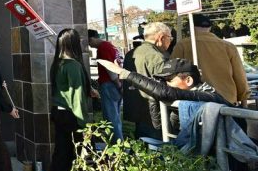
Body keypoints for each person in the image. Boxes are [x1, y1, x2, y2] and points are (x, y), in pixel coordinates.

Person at [98, 58, 229, 146]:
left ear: (188, 80)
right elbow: (160, 125)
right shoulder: (183, 100)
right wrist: (153, 97)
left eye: (169, 80)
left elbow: (165, 92)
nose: (166, 85)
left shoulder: (208, 95)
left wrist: (125, 73)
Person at [172, 14, 250, 107]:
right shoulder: (228, 46)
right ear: (209, 27)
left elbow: (172, 74)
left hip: (196, 101)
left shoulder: (182, 46)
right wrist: (244, 102)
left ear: (190, 27)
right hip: (227, 100)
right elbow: (240, 76)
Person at [49, 29, 90, 171]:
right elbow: (77, 98)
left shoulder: (57, 63)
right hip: (71, 115)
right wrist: (85, 124)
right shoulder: (73, 65)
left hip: (58, 113)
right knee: (80, 156)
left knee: (61, 155)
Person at [132, 22, 172, 139]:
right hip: (154, 109)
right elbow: (167, 83)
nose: (170, 41)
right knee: (158, 143)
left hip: (137, 107)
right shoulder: (156, 56)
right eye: (170, 38)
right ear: (161, 37)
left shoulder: (134, 52)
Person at [87, 29, 123, 143]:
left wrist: (117, 84)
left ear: (92, 39)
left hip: (109, 84)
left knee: (111, 118)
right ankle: (118, 141)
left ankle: (117, 144)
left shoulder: (103, 48)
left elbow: (110, 68)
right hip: (115, 83)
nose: (89, 46)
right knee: (115, 116)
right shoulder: (111, 46)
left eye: (89, 42)